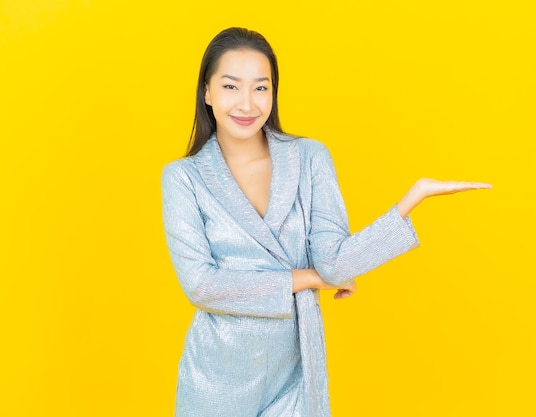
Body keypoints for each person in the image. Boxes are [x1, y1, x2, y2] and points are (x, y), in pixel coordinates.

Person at [161, 27, 491, 417]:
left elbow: (335, 262)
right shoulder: (184, 177)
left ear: (274, 92)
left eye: (261, 88)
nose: (247, 103)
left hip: (297, 373)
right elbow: (203, 285)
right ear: (207, 92)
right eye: (231, 87)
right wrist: (312, 279)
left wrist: (410, 200)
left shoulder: (310, 158)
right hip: (217, 380)